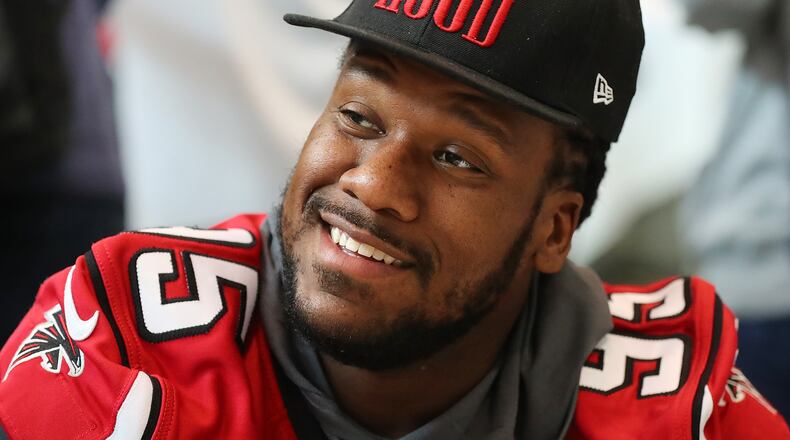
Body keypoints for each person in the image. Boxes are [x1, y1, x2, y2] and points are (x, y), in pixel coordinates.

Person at [0, 1, 788, 439]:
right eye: (358, 115)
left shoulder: (676, 408)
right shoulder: (126, 348)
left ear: (556, 229)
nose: (374, 186)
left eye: (457, 159)